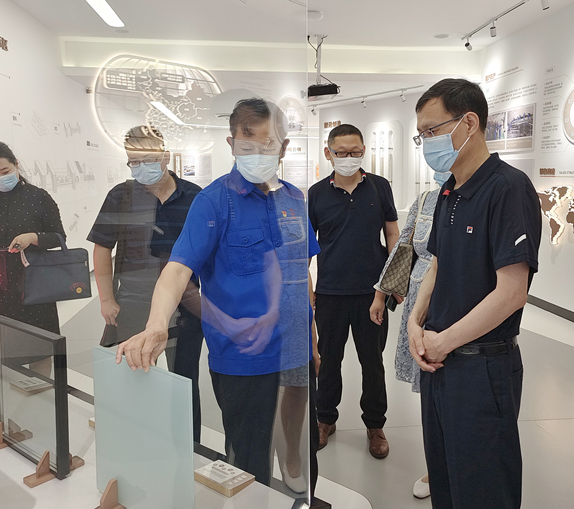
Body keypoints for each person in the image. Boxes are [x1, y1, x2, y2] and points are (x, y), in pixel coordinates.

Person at [115, 99, 321, 496]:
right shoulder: (213, 202)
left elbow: (301, 273)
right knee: (248, 463)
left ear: (284, 145)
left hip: (295, 349)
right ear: (232, 143)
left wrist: (311, 336)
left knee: (300, 450)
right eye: (248, 144)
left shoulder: (296, 200)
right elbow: (177, 269)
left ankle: (297, 488)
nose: (259, 152)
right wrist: (157, 325)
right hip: (244, 355)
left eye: (269, 143)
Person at [407, 78, 541, 509]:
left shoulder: (507, 188)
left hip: (482, 368)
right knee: (446, 480)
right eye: (422, 135)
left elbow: (512, 292)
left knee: (484, 489)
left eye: (432, 130)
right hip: (439, 364)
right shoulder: (448, 190)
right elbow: (438, 263)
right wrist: (415, 322)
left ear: (468, 123)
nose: (427, 142)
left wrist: (443, 341)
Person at [87, 124, 204, 442]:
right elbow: (102, 247)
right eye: (134, 161)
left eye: (148, 159)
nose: (141, 167)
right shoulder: (121, 196)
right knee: (126, 376)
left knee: (184, 382)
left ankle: (186, 446)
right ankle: (130, 440)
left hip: (184, 307)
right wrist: (107, 299)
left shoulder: (195, 197)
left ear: (165, 156)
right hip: (133, 303)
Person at [309, 124, 399, 458]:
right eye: (342, 152)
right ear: (328, 153)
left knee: (372, 362)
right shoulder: (316, 194)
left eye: (356, 152)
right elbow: (307, 247)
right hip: (330, 293)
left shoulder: (379, 187)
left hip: (371, 295)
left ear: (364, 150)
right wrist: (307, 289)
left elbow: (393, 235)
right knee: (329, 360)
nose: (349, 158)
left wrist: (392, 283)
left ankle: (375, 425)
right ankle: (325, 419)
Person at [369, 170, 448, 498]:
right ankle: (436, 466)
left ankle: (454, 466)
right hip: (418, 303)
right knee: (429, 390)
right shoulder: (426, 199)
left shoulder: (482, 199)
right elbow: (403, 247)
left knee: (452, 385)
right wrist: (381, 292)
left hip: (454, 304)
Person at [0, 141, 65, 361]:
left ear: (16, 164)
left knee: (40, 345)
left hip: (33, 282)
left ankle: (40, 381)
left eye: (5, 171)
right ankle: (2, 381)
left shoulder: (38, 197)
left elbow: (59, 237)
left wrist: (33, 238)